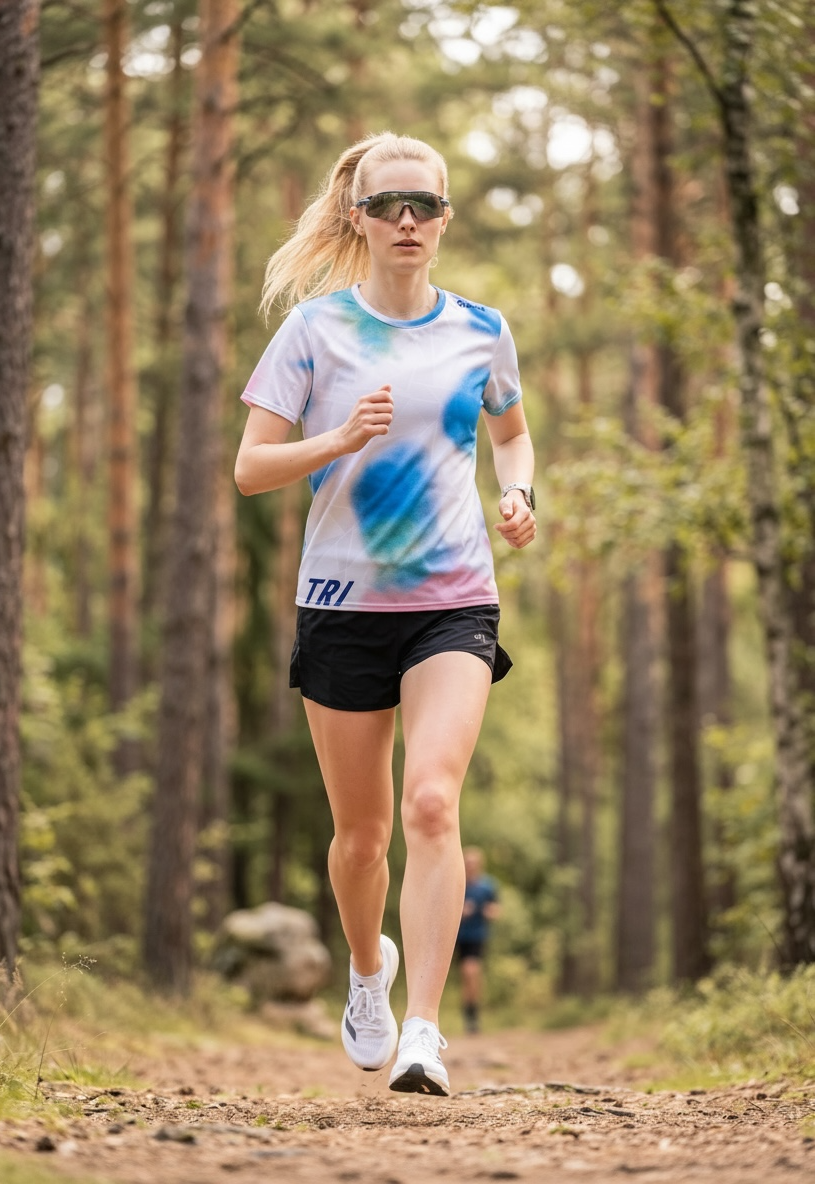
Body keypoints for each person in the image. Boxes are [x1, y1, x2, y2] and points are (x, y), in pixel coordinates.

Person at [234, 131, 536, 1097]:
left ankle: (424, 1033)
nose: (407, 220)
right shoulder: (314, 331)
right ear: (358, 218)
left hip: (454, 600)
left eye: (425, 205)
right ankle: (370, 970)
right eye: (387, 205)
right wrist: (336, 439)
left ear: (445, 219)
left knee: (433, 802)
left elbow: (512, 434)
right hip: (342, 603)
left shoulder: (482, 329)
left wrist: (519, 492)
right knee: (361, 839)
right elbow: (250, 469)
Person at [456, 846, 500, 1033]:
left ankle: (472, 1013)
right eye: (467, 863)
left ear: (480, 865)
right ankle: (470, 1014)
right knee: (467, 977)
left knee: (471, 972)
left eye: (473, 863)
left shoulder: (488, 886)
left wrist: (490, 912)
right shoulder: (457, 884)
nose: (470, 866)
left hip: (477, 936)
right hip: (459, 937)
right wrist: (461, 911)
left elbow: (496, 909)